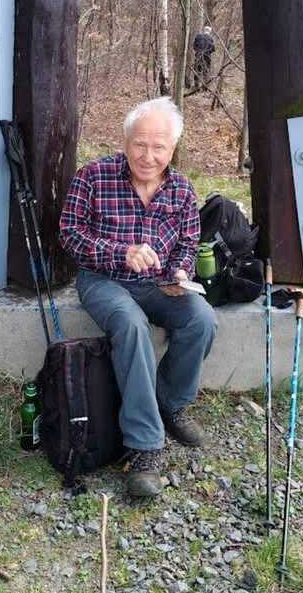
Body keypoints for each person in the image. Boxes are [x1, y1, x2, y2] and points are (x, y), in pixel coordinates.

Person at [59, 97, 218, 497]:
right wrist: (121, 252)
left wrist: (182, 270)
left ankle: (169, 402)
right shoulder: (93, 176)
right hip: (104, 280)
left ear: (172, 148)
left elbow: (187, 239)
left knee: (201, 318)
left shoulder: (181, 189)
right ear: (126, 141)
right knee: (131, 327)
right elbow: (70, 234)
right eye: (140, 145)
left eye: (159, 147)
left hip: (161, 282)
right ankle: (144, 447)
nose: (148, 156)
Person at [192, 25, 215, 89]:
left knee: (197, 71)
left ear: (203, 30)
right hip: (207, 57)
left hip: (198, 56)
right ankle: (205, 87)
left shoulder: (198, 36)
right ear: (209, 32)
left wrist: (198, 51)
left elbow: (194, 46)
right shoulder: (211, 38)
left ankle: (196, 87)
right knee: (206, 71)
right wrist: (208, 51)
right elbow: (213, 49)